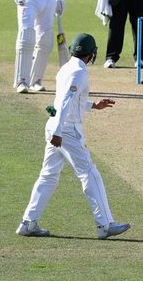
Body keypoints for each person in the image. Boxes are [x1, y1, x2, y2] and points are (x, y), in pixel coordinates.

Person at [15, 33, 131, 239]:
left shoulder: (66, 68)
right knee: (89, 173)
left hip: (55, 127)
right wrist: (59, 132)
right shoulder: (79, 72)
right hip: (66, 131)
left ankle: (28, 222)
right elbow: (65, 103)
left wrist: (93, 105)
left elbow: (70, 100)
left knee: (48, 176)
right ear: (91, 54)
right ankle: (105, 224)